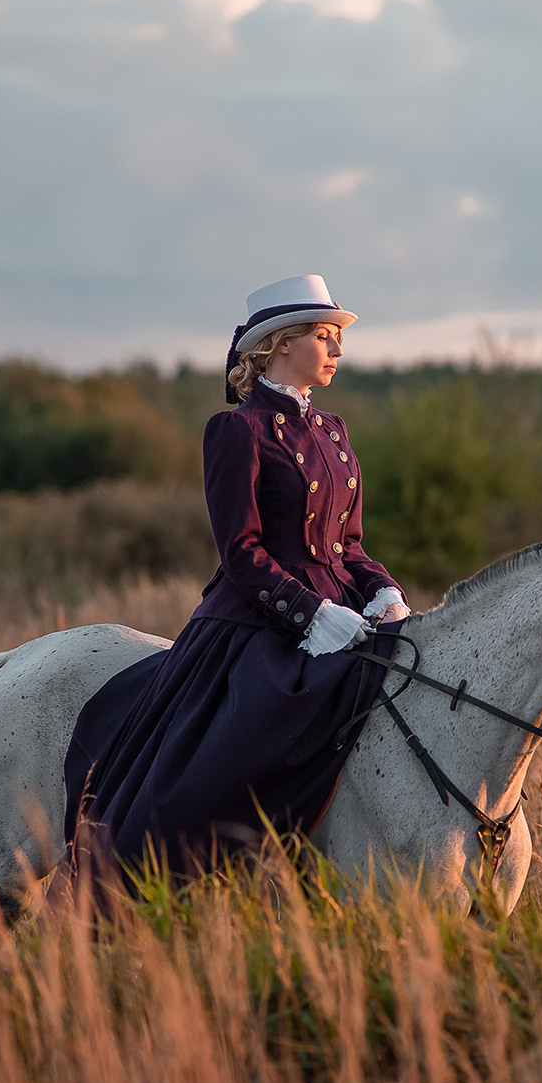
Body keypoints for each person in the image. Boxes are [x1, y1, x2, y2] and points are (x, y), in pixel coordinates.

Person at [63, 274, 410, 877]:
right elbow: (241, 550)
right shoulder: (237, 430)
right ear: (279, 343)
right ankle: (181, 875)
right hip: (259, 620)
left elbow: (346, 545)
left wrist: (381, 588)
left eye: (337, 338)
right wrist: (312, 615)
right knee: (238, 752)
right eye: (325, 336)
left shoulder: (334, 432)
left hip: (344, 616)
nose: (338, 349)